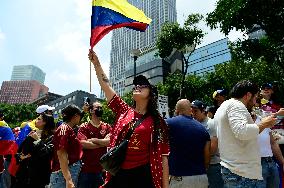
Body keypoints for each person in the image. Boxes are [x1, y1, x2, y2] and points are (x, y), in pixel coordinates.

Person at [88, 49, 169, 188]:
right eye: (136, 85)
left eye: (143, 85)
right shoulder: (123, 110)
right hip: (118, 174)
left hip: (143, 176)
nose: (137, 87)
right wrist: (97, 64)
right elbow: (106, 85)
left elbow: (163, 156)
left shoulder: (157, 122)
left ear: (151, 95)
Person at [214, 80, 277, 187]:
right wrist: (264, 124)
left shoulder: (224, 106)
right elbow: (242, 132)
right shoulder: (236, 105)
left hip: (235, 171)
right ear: (248, 95)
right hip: (242, 174)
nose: (254, 101)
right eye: (255, 97)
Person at [166, 99, 211, 188]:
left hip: (180, 179)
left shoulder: (169, 123)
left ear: (176, 110)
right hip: (201, 178)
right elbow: (207, 158)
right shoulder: (202, 129)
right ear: (190, 110)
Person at [13, 113, 55, 188]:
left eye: (39, 119)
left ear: (45, 122)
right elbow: (19, 151)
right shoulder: (32, 133)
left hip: (38, 176)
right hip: (23, 175)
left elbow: (47, 153)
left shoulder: (52, 137)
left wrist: (38, 141)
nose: (36, 120)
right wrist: (20, 157)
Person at [77, 102, 112, 188]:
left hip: (102, 170)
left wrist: (94, 140)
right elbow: (83, 144)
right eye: (98, 108)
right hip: (85, 170)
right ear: (91, 111)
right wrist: (102, 142)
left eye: (101, 108)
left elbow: (110, 141)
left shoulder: (107, 127)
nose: (100, 110)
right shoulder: (84, 126)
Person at [191, 100, 224, 188]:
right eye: (192, 111)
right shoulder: (194, 124)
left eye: (196, 111)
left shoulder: (211, 124)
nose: (193, 113)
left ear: (203, 111)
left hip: (212, 165)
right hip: (200, 164)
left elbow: (212, 149)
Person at [49, 105, 83, 188]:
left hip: (66, 172)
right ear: (76, 116)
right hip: (63, 174)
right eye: (80, 116)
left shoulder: (67, 129)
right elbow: (61, 153)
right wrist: (68, 179)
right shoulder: (64, 129)